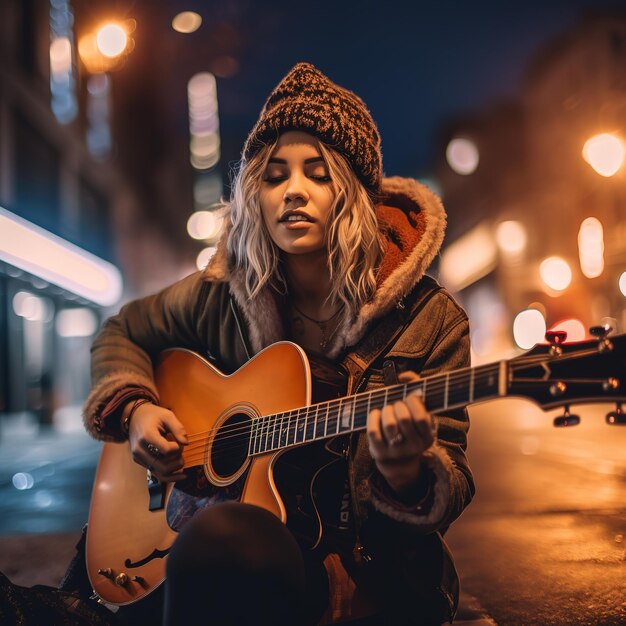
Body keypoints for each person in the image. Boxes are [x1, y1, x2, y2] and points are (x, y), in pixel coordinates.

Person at [82, 62, 474, 626]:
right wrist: (138, 409)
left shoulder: (430, 320)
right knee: (221, 542)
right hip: (238, 543)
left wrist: (408, 472)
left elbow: (453, 480)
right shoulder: (222, 294)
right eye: (273, 175)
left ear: (354, 191)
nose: (293, 191)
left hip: (377, 568)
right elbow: (122, 331)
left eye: (318, 172)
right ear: (253, 196)